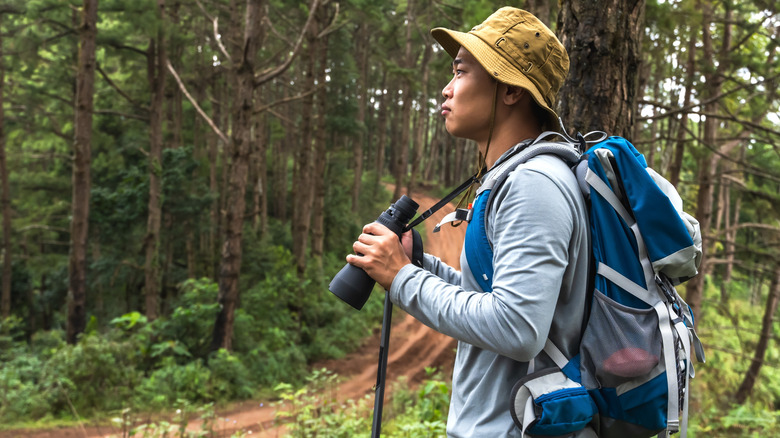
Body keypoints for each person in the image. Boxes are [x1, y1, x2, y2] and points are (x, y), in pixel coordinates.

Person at [347, 7, 594, 437]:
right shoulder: (515, 178)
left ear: (511, 90)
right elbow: (490, 296)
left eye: (461, 72)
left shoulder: (534, 184)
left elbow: (517, 327)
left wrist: (403, 278)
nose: (446, 89)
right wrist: (419, 264)